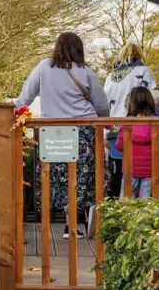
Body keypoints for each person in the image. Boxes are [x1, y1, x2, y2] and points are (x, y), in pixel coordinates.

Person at [16, 33, 109, 237]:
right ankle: (77, 222)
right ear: (79, 49)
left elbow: (25, 96)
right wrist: (106, 122)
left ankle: (63, 225)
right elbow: (102, 104)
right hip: (84, 131)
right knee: (82, 177)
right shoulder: (85, 71)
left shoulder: (43, 67)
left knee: (59, 178)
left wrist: (12, 115)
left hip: (53, 132)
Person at [120, 86, 159, 197]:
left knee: (127, 203)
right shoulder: (158, 125)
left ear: (131, 103)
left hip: (130, 171)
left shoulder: (127, 125)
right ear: (151, 102)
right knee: (146, 206)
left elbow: (119, 145)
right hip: (151, 171)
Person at [104, 41, 157, 117]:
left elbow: (105, 102)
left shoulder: (110, 76)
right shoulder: (143, 71)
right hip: (135, 122)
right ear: (139, 55)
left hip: (114, 122)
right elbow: (153, 96)